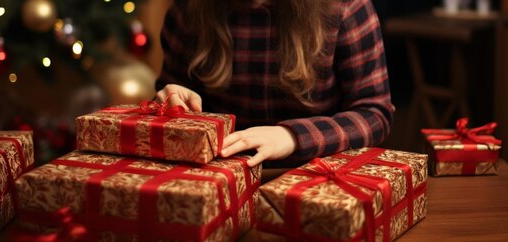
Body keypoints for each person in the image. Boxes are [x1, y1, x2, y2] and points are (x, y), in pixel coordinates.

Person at [155, 0, 394, 168]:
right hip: (216, 175)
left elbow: (374, 113)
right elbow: (168, 98)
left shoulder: (346, 7)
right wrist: (169, 100)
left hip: (315, 175)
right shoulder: (188, 9)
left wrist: (292, 136)